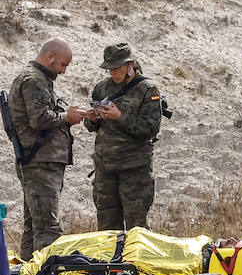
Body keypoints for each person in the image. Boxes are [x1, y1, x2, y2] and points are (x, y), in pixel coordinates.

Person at [8, 38, 86, 260]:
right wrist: (67, 117)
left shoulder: (36, 78)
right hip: (40, 164)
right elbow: (40, 119)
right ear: (50, 57)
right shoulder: (34, 80)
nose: (64, 71)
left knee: (34, 227)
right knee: (47, 230)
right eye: (63, 64)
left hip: (39, 162)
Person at [83, 43, 163, 232]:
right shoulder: (102, 88)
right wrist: (92, 119)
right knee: (107, 229)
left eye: (117, 68)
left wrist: (120, 117)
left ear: (130, 65)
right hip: (105, 168)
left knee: (137, 228)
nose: (113, 73)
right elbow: (91, 127)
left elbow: (150, 128)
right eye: (110, 68)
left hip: (134, 169)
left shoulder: (147, 89)